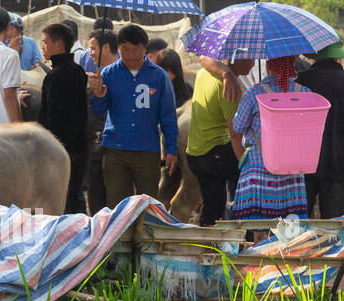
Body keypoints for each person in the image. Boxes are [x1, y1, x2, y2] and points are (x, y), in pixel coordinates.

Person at [88, 24, 178, 207]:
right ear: (118, 48)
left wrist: (171, 149)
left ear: (145, 49)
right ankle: (123, 237)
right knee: (118, 207)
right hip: (115, 150)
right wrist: (97, 93)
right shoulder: (108, 74)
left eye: (135, 50)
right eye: (125, 50)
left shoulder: (159, 76)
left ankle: (143, 236)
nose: (130, 55)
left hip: (147, 151)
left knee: (147, 207)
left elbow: (168, 115)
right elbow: (98, 110)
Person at [231, 56, 310, 219]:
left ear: (268, 66)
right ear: (292, 65)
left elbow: (238, 126)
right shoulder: (304, 93)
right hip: (292, 172)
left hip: (258, 170)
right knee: (290, 233)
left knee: (258, 231)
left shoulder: (254, 93)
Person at [187, 56, 254, 226]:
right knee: (249, 176)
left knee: (213, 206)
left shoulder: (205, 72)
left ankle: (210, 247)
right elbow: (236, 135)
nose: (252, 63)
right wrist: (246, 168)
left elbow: (203, 59)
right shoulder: (230, 88)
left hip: (195, 152)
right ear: (238, 59)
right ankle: (244, 232)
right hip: (213, 154)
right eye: (251, 58)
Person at [37, 22, 88, 214]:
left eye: (45, 42)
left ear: (58, 44)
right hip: (79, 147)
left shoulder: (55, 76)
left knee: (61, 198)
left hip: (59, 148)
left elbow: (49, 116)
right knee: (75, 195)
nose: (42, 47)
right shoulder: (78, 71)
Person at [296, 32, 344, 218]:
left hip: (303, 166)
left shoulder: (300, 83)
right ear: (337, 55)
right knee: (335, 227)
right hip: (339, 166)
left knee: (298, 227)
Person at [83, 29, 118, 213]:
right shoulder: (98, 75)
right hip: (98, 145)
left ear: (105, 48)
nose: (90, 53)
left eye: (93, 48)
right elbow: (97, 110)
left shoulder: (119, 74)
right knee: (96, 196)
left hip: (115, 146)